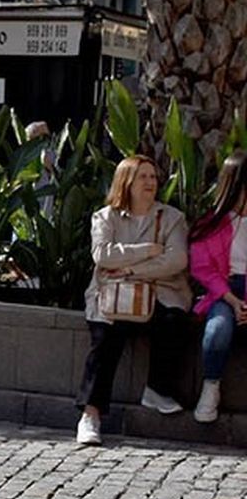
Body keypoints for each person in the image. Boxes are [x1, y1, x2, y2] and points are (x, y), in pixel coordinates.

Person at [76, 154, 190, 445]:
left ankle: (157, 388)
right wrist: (148, 249)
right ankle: (90, 415)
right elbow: (103, 255)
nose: (150, 182)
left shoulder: (172, 218)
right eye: (143, 177)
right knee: (106, 338)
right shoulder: (105, 217)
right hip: (112, 294)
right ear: (126, 182)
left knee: (174, 321)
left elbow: (176, 258)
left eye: (153, 177)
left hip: (159, 291)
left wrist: (130, 269)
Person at [187, 152, 247, 423]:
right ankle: (210, 387)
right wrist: (233, 300)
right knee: (217, 329)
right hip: (223, 291)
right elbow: (202, 268)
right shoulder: (211, 224)